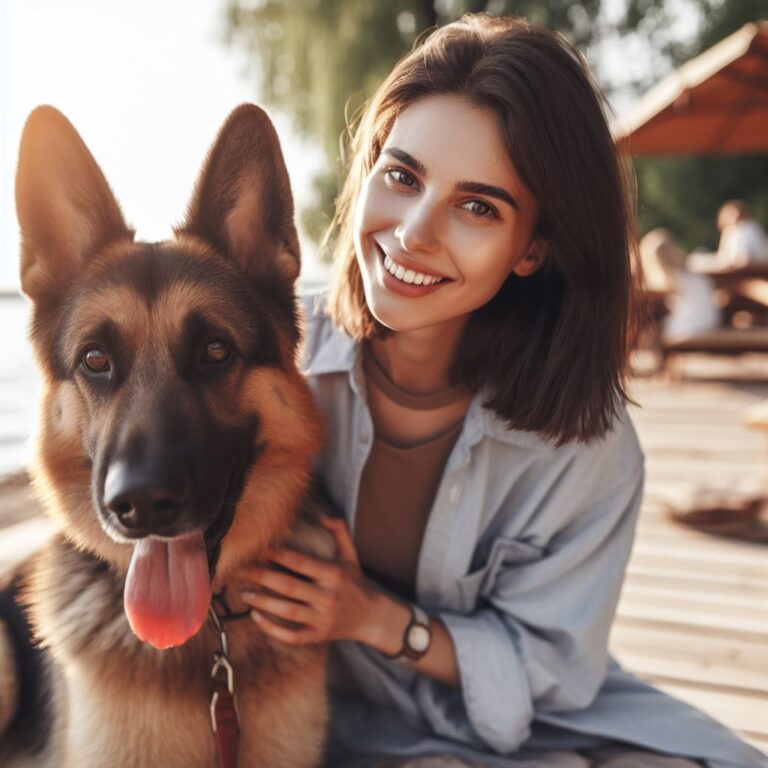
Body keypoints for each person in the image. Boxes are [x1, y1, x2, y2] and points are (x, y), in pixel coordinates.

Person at [238, 15, 767, 768]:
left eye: (478, 206)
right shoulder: (277, 365)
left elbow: (551, 671)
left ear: (533, 250)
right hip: (337, 716)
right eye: (402, 176)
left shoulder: (588, 445)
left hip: (535, 719)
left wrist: (376, 619)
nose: (415, 232)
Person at [638, 228, 721, 343]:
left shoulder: (669, 278)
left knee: (653, 329)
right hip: (711, 319)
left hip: (693, 324)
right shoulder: (690, 270)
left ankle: (659, 359)